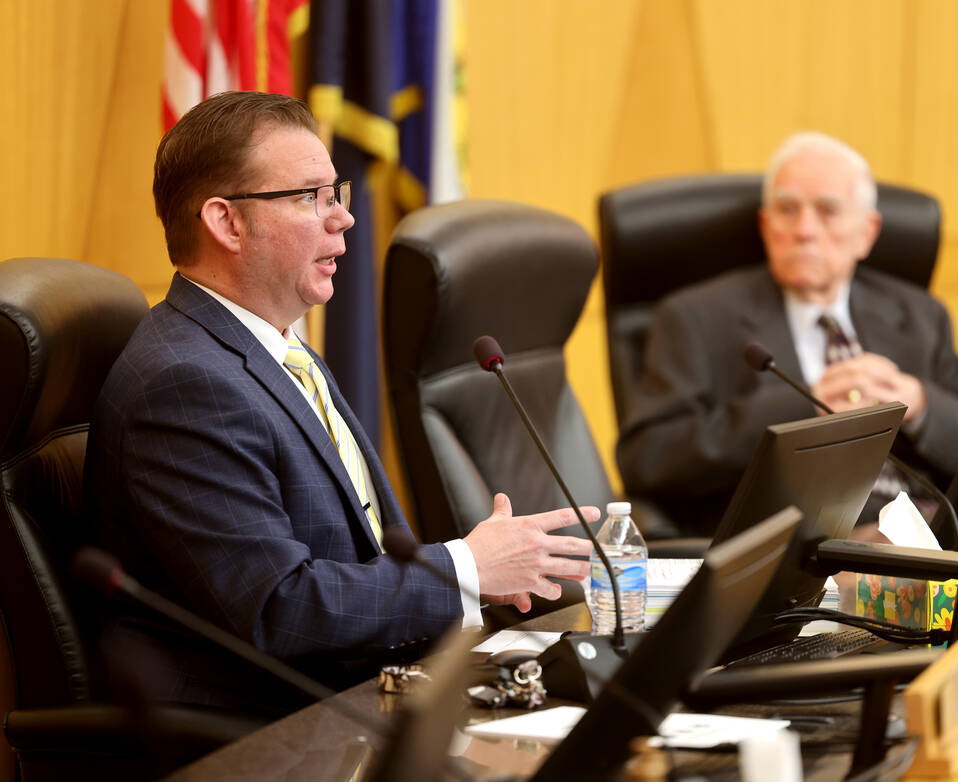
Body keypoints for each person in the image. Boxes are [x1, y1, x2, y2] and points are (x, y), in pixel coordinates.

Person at [84, 91, 595, 711]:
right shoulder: (185, 384)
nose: (343, 219)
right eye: (309, 197)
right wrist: (464, 570)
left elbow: (364, 551)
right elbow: (278, 608)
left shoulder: (275, 347)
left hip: (367, 691)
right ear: (226, 222)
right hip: (269, 735)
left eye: (336, 193)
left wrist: (479, 582)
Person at [616, 131, 958, 536]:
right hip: (796, 542)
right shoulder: (695, 318)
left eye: (827, 211)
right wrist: (804, 409)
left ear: (867, 232)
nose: (805, 230)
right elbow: (648, 460)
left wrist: (919, 402)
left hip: (926, 525)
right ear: (765, 225)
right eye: (787, 210)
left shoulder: (919, 315)